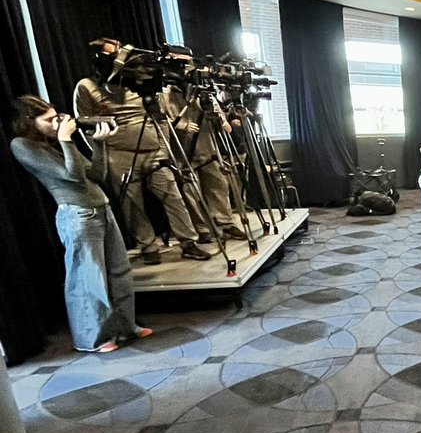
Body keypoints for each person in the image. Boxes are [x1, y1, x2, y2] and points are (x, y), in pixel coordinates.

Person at [9, 96, 152, 352]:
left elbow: (97, 175)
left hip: (102, 210)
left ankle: (125, 326)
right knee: (88, 278)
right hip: (78, 215)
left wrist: (99, 145)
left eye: (56, 118)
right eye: (49, 120)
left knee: (119, 273)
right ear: (29, 121)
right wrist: (65, 139)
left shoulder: (53, 145)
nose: (56, 123)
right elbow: (72, 177)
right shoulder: (22, 145)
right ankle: (93, 339)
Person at [74, 38, 211, 264]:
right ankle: (147, 246)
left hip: (153, 151)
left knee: (172, 195)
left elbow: (160, 117)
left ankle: (189, 242)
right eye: (111, 54)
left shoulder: (141, 82)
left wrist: (163, 148)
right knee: (132, 203)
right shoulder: (86, 87)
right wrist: (100, 152)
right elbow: (84, 123)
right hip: (119, 154)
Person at [165, 89, 247, 241]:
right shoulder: (167, 94)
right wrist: (181, 125)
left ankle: (226, 223)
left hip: (208, 147)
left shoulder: (204, 92)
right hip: (184, 150)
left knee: (218, 185)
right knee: (192, 191)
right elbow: (164, 118)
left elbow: (220, 118)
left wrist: (221, 120)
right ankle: (202, 228)